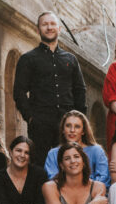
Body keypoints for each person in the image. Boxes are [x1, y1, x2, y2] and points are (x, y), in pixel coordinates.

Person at [13, 11, 87, 165]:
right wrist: (31, 118)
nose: (49, 27)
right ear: (38, 30)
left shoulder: (70, 59)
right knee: (41, 166)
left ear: (59, 29)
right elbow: (19, 92)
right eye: (45, 24)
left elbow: (80, 90)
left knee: (70, 163)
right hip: (40, 124)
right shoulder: (28, 59)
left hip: (68, 124)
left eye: (52, 24)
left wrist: (79, 118)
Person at [43, 110, 110, 187]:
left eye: (77, 127)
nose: (72, 130)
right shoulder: (53, 153)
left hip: (94, 194)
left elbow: (103, 179)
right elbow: (53, 181)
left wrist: (87, 191)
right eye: (68, 126)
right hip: (64, 194)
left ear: (83, 131)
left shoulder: (96, 150)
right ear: (63, 130)